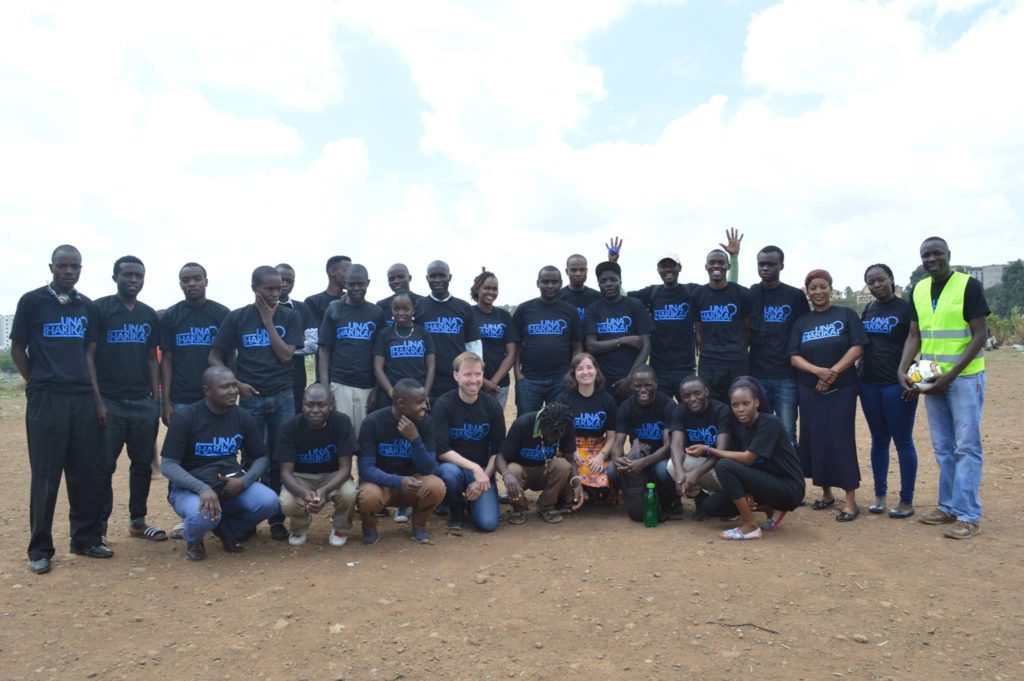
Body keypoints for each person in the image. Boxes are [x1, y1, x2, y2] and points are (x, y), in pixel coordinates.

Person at [11, 245, 109, 573]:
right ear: (51, 266)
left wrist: (96, 399)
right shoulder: (32, 301)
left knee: (85, 473)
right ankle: (40, 549)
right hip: (47, 398)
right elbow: (17, 347)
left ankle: (84, 539)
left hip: (81, 398)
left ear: (81, 269)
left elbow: (90, 355)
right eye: (63, 266)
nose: (69, 271)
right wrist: (36, 382)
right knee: (46, 475)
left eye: (75, 266)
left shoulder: (87, 308)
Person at [898, 237, 989, 540]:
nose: (931, 259)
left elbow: (979, 335)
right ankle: (947, 506)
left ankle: (968, 515)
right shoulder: (920, 289)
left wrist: (950, 377)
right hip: (932, 379)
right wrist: (903, 369)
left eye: (937, 253)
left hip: (963, 379)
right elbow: (914, 335)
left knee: (966, 446)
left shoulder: (967, 286)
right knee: (943, 447)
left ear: (948, 255)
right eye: (926, 255)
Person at [210, 266, 302, 540]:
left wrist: (268, 321)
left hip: (283, 395)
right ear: (254, 288)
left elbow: (286, 356)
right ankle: (250, 518)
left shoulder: (290, 316)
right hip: (251, 398)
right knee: (251, 458)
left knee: (281, 457)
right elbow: (215, 356)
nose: (276, 292)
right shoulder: (237, 317)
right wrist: (236, 384)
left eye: (280, 287)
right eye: (270, 288)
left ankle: (276, 518)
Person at [160, 367, 280, 561]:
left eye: (234, 385)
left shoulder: (242, 416)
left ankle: (227, 531)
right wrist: (202, 488)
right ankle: (194, 538)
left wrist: (244, 481)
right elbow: (168, 465)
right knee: (204, 517)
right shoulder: (186, 417)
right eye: (225, 387)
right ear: (208, 391)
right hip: (190, 489)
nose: (233, 391)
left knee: (270, 502)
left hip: (229, 486)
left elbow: (262, 457)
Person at [87, 255, 165, 544]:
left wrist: (155, 396)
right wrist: (97, 399)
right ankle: (100, 528)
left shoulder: (148, 315)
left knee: (143, 464)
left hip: (143, 403)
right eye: (127, 275)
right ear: (115, 277)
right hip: (110, 402)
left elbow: (151, 358)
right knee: (104, 466)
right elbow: (89, 356)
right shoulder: (100, 309)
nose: (133, 280)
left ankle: (138, 521)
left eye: (138, 275)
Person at [615, 229, 743, 399]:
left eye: (672, 265)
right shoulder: (652, 293)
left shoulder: (691, 291)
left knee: (690, 415)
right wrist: (614, 266)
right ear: (658, 270)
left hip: (685, 368)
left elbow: (727, 290)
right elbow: (623, 297)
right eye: (663, 266)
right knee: (661, 416)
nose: (668, 269)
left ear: (679, 268)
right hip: (659, 368)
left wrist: (733, 258)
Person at [789, 269, 868, 522]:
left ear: (831, 289)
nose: (818, 292)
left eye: (823, 287)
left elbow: (857, 347)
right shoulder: (802, 322)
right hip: (809, 389)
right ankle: (825, 493)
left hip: (842, 389)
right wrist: (818, 372)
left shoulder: (846, 315)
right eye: (813, 288)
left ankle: (851, 501)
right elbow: (794, 356)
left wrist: (832, 373)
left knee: (840, 438)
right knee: (815, 439)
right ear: (807, 292)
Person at [685, 381, 805, 540]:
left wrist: (708, 449)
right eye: (735, 405)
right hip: (764, 484)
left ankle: (750, 526)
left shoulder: (770, 423)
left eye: (746, 404)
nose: (740, 409)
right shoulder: (740, 428)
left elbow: (748, 459)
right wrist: (747, 492)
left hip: (789, 489)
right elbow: (746, 468)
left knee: (724, 465)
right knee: (711, 506)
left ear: (756, 402)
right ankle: (769, 508)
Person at [859, 264, 918, 519]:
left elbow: (917, 340)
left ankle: (906, 500)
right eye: (871, 282)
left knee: (903, 441)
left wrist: (913, 379)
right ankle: (880, 497)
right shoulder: (869, 309)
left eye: (880, 280)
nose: (876, 285)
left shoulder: (906, 309)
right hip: (869, 384)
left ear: (892, 279)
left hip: (897, 385)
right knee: (879, 440)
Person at [356, 379, 446, 544]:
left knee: (436, 486)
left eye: (425, 401)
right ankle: (369, 526)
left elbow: (430, 468)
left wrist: (415, 440)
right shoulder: (372, 422)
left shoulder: (426, 422)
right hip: (381, 485)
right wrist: (398, 481)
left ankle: (419, 525)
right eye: (419, 402)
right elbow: (365, 469)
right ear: (400, 403)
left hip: (412, 484)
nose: (425, 406)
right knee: (367, 496)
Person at [432, 352, 507, 533]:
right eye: (467, 375)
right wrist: (475, 468)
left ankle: (472, 503)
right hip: (452, 467)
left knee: (487, 524)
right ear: (456, 375)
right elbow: (441, 449)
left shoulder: (492, 405)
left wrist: (484, 477)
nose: (473, 380)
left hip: (482, 470)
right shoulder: (444, 404)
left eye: (478, 374)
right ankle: (455, 509)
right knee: (450, 473)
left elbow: (498, 449)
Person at [276, 384, 358, 547]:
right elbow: (286, 473)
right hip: (301, 477)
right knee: (287, 501)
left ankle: (340, 527)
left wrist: (323, 490)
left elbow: (345, 468)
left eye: (321, 405)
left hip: (333, 475)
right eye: (309, 404)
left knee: (349, 493)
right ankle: (299, 527)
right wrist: (303, 493)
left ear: (331, 404)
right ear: (302, 405)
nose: (315, 409)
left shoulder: (341, 422)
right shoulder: (290, 427)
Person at [748, 246, 810, 448]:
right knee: (760, 431)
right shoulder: (752, 293)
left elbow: (804, 333)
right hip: (757, 374)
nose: (765, 268)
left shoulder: (794, 296)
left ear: (782, 265)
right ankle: (765, 478)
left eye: (771, 264)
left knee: (787, 432)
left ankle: (790, 477)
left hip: (787, 376)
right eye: (761, 264)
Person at [158, 263, 230, 425]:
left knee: (214, 446)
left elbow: (229, 356)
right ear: (180, 285)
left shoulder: (222, 314)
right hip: (181, 398)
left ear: (206, 281)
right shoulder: (170, 316)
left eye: (197, 279)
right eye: (186, 280)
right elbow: (167, 360)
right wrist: (166, 401)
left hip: (215, 396)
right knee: (184, 447)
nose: (191, 283)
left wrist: (230, 390)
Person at [318, 264, 386, 432]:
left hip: (367, 386)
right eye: (351, 284)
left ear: (368, 283)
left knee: (366, 439)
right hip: (339, 384)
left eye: (360, 284)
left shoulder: (376, 313)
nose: (356, 288)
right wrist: (326, 388)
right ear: (345, 284)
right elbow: (324, 351)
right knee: (341, 439)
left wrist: (377, 390)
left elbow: (381, 355)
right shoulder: (334, 310)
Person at [607, 365, 677, 520]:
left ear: (656, 384)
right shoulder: (626, 406)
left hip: (662, 457)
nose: (643, 390)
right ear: (631, 385)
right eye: (638, 386)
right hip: (639, 455)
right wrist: (618, 458)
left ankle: (673, 500)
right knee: (613, 469)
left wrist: (643, 463)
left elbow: (668, 447)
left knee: (661, 470)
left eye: (648, 385)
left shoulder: (667, 405)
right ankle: (634, 498)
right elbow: (618, 443)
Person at [497, 402, 584, 524]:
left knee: (563, 465)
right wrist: (506, 474)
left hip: (545, 470)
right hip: (521, 472)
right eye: (552, 433)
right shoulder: (523, 424)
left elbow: (570, 456)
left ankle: (546, 505)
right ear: (542, 424)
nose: (554, 438)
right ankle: (518, 507)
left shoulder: (566, 424)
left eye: (559, 434)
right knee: (512, 470)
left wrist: (577, 483)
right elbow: (500, 456)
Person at [512, 266, 583, 413]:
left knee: (558, 424)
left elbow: (577, 347)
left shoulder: (569, 311)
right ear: (538, 283)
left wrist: (569, 374)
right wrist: (518, 374)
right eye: (545, 282)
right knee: (527, 424)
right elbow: (516, 345)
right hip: (529, 380)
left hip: (560, 380)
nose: (550, 286)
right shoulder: (524, 309)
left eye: (554, 282)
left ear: (560, 283)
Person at [584, 262, 654, 401]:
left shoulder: (635, 305)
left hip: (632, 378)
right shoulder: (593, 309)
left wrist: (631, 377)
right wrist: (622, 340)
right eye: (603, 281)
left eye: (613, 280)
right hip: (602, 379)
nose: (608, 284)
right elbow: (591, 346)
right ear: (598, 284)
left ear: (620, 281)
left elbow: (646, 345)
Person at [556, 353, 618, 504]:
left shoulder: (607, 399)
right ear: (573, 374)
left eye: (589, 367)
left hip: (598, 447)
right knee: (571, 467)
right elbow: (558, 433)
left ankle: (596, 492)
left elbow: (612, 436)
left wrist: (601, 456)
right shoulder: (564, 399)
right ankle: (583, 492)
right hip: (572, 447)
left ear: (596, 370)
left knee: (605, 468)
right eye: (580, 369)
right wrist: (571, 450)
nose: (585, 372)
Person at [415, 261, 482, 400]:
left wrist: (474, 375)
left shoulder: (464, 308)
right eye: (433, 276)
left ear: (449, 277)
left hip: (457, 379)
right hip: (428, 380)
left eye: (442, 275)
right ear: (427, 278)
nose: (438, 280)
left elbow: (473, 346)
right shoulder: (418, 307)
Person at [692, 249, 753, 401]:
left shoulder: (742, 294)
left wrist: (737, 349)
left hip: (737, 362)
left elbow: (747, 329)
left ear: (728, 266)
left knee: (739, 408)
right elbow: (699, 330)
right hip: (708, 363)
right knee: (711, 408)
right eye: (712, 262)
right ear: (706, 266)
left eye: (721, 262)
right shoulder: (698, 295)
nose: (716, 266)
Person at [667, 375, 733, 516]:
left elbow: (722, 450)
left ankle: (728, 502)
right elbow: (676, 444)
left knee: (724, 467)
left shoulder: (722, 410)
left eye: (697, 393)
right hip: (700, 463)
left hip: (721, 465)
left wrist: (695, 473)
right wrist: (679, 473)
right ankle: (701, 499)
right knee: (672, 466)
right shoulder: (680, 411)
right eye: (686, 396)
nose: (692, 399)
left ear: (706, 392)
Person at [373, 293, 436, 407]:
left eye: (406, 309)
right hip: (391, 397)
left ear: (413, 310)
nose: (401, 313)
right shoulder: (384, 333)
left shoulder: (423, 333)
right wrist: (392, 393)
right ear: (392, 310)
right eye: (396, 308)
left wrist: (425, 394)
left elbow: (431, 368)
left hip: (418, 396)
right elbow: (378, 368)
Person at [470, 271, 518, 409]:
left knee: (495, 424)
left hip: (499, 384)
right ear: (477, 289)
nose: (491, 292)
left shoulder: (504, 316)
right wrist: (482, 381)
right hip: (472, 381)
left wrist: (493, 382)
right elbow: (462, 350)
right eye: (486, 288)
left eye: (494, 288)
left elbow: (511, 353)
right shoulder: (468, 313)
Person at [276, 264, 318, 413]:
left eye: (290, 281)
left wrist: (282, 351)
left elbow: (313, 345)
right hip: (266, 380)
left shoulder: (303, 309)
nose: (285, 284)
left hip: (296, 380)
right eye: (281, 280)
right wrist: (297, 343)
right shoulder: (258, 310)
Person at [303, 255, 351, 327]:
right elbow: (316, 332)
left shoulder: (352, 300)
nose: (351, 275)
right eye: (346, 271)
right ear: (332, 272)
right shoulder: (312, 302)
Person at [559, 254, 601, 323]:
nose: (578, 273)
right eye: (573, 270)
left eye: (582, 270)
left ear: (586, 271)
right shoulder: (558, 297)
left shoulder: (597, 297)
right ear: (567, 271)